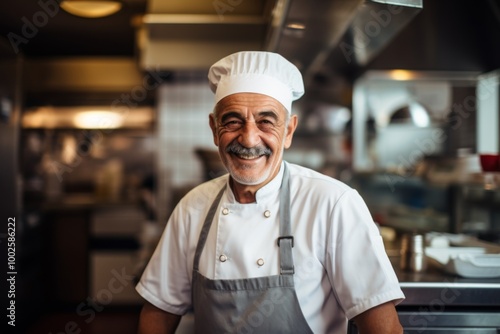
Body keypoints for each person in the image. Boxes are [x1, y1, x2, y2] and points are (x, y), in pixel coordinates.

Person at [136, 51, 405, 333]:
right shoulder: (193, 207)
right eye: (232, 120)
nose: (249, 138)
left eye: (266, 121)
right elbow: (158, 312)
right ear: (215, 129)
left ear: (288, 131)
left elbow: (383, 328)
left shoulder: (333, 203)